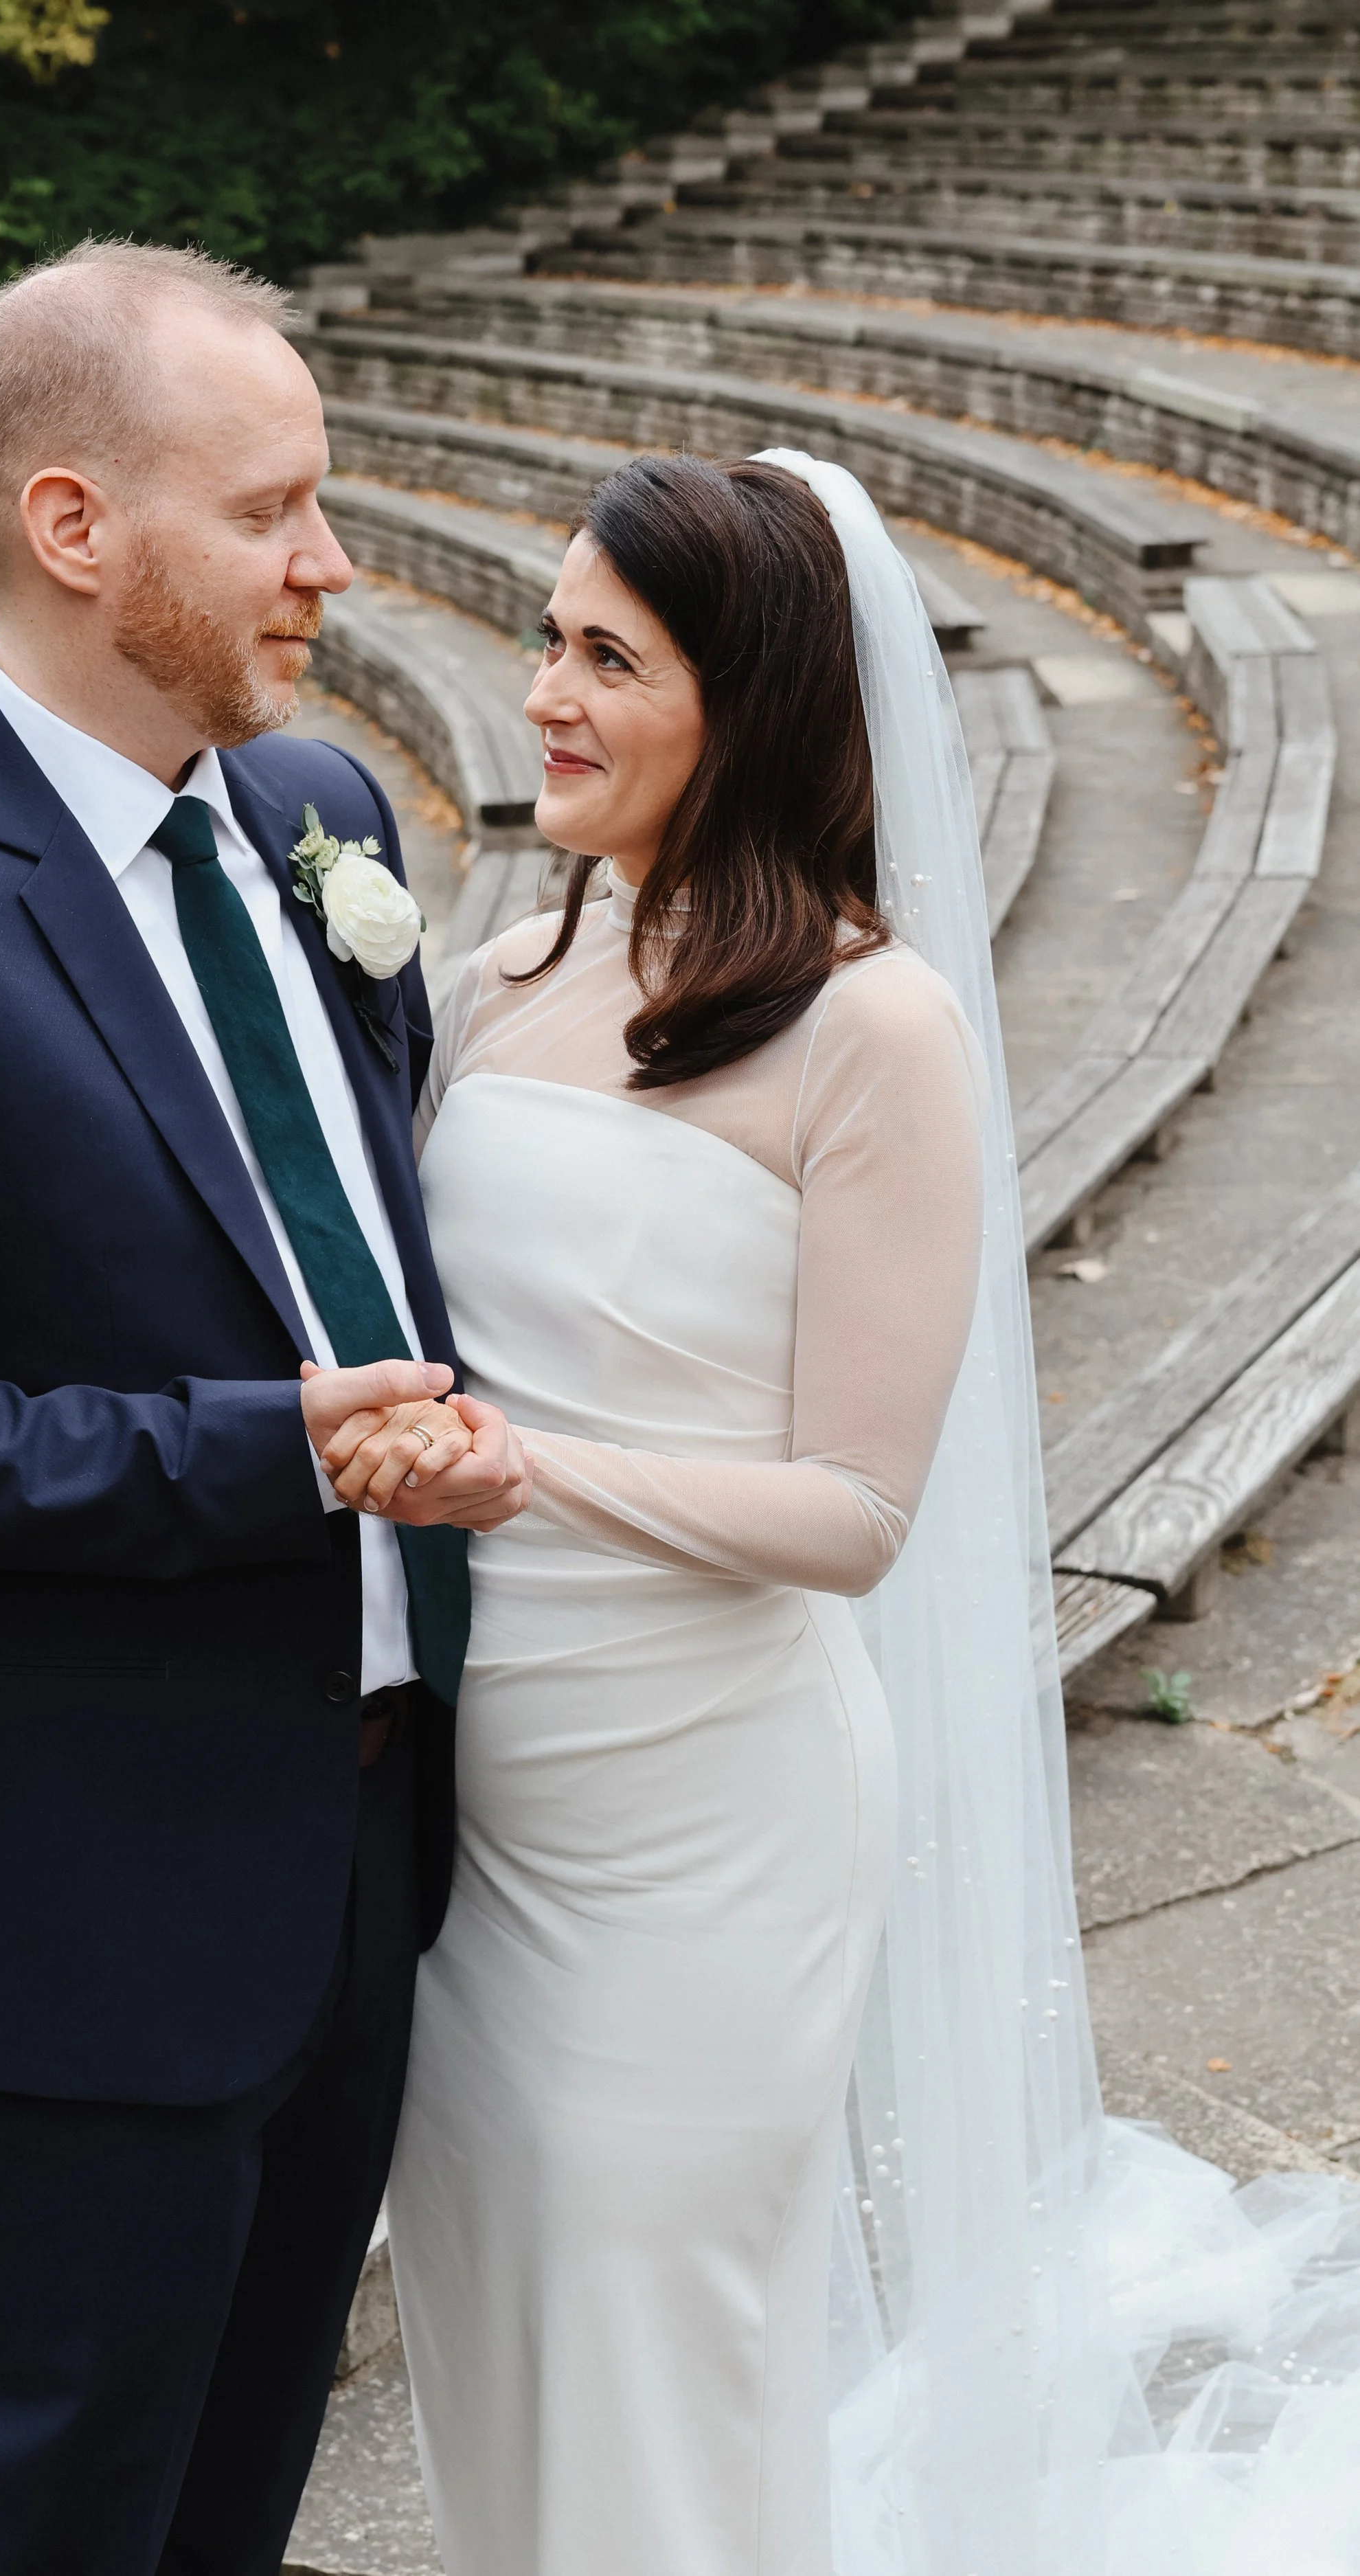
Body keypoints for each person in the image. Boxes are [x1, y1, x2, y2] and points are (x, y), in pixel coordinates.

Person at [335, 451, 1360, 2576]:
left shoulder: (868, 1026)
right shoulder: (494, 970)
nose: (542, 691)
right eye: (545, 637)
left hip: (699, 1822)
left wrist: (527, 1466)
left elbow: (853, 1511)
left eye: (608, 655)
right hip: (469, 1811)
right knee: (497, 2347)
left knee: (667, 2372)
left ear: (759, 703)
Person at [0, 238, 528, 2575]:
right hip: (79, 1898)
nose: (330, 564)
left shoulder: (310, 811)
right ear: (79, 529)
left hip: (362, 1839)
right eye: (272, 510)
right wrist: (268, 1446)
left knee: (241, 2497)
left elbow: (343, 1219)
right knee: (61, 2519)